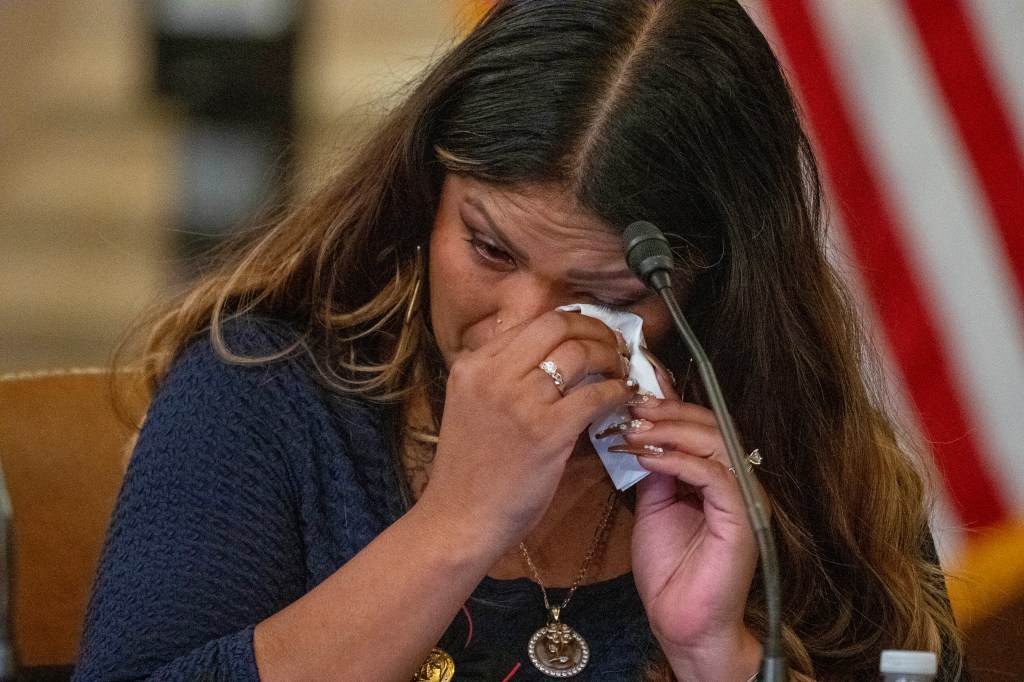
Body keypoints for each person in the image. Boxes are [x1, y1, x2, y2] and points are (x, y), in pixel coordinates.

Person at [75, 1, 969, 680]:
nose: (520, 325)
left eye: (602, 293)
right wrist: (458, 524)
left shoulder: (800, 449)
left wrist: (718, 656)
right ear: (428, 188)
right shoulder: (267, 391)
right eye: (488, 247)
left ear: (712, 283)